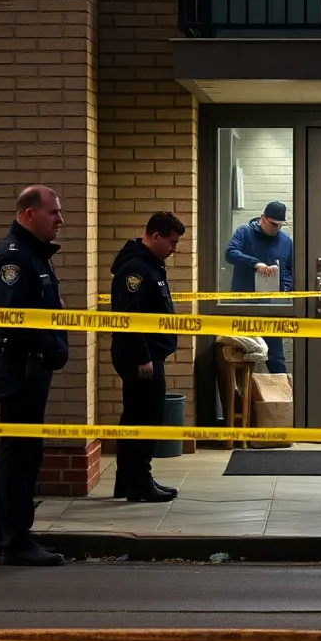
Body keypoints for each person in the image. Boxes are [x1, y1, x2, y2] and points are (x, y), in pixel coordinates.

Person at [0, 185, 70, 567]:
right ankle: (12, 541)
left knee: (24, 453)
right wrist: (51, 348)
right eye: (53, 213)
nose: (60, 220)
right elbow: (14, 320)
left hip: (30, 367)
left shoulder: (34, 254)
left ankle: (16, 536)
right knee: (18, 455)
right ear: (29, 213)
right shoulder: (13, 259)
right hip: (18, 367)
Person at [109, 211, 187, 504]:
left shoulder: (149, 264)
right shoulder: (136, 270)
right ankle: (139, 482)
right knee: (147, 417)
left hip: (147, 354)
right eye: (171, 242)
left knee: (134, 416)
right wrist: (144, 358)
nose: (174, 248)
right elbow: (129, 317)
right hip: (141, 357)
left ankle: (128, 481)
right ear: (155, 236)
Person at [225, 201, 294, 373]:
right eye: (273, 224)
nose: (277, 229)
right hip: (244, 304)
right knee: (241, 356)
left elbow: (289, 268)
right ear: (262, 218)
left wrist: (285, 289)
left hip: (271, 306)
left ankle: (281, 398)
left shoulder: (286, 241)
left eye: (280, 225)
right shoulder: (244, 233)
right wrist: (255, 264)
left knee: (276, 357)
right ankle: (241, 397)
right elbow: (230, 253)